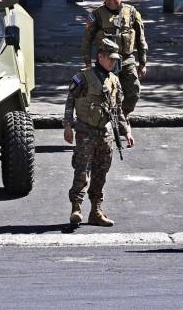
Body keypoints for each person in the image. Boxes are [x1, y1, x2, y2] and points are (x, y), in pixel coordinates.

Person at [64, 37, 135, 227]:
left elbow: (118, 109)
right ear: (100, 56)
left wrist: (126, 130)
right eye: (110, 58)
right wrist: (68, 125)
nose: (113, 62)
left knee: (100, 174)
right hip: (86, 131)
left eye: (115, 59)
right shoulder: (84, 76)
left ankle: (96, 211)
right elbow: (70, 101)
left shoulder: (114, 80)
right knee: (81, 171)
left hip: (106, 133)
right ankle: (76, 208)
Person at [81, 0, 147, 116]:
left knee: (133, 92)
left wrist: (143, 62)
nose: (111, 1)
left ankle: (122, 116)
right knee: (106, 93)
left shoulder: (132, 12)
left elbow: (141, 39)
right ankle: (108, 120)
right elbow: (87, 40)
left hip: (126, 59)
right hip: (106, 61)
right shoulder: (96, 15)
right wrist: (88, 62)